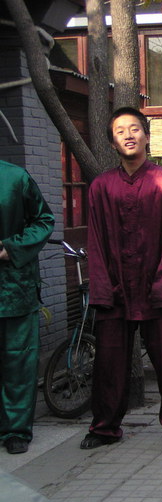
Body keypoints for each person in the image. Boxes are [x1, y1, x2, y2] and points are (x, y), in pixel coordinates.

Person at [81, 107, 162, 453]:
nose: (128, 135)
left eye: (134, 129)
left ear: (146, 136)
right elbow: (95, 242)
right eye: (120, 131)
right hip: (115, 290)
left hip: (156, 289)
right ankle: (105, 428)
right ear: (112, 142)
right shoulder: (101, 187)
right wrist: (102, 287)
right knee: (109, 363)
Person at [0, 161, 54, 454]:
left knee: (18, 362)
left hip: (14, 288)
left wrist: (12, 248)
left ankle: (16, 430)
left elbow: (44, 220)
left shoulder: (15, 177)